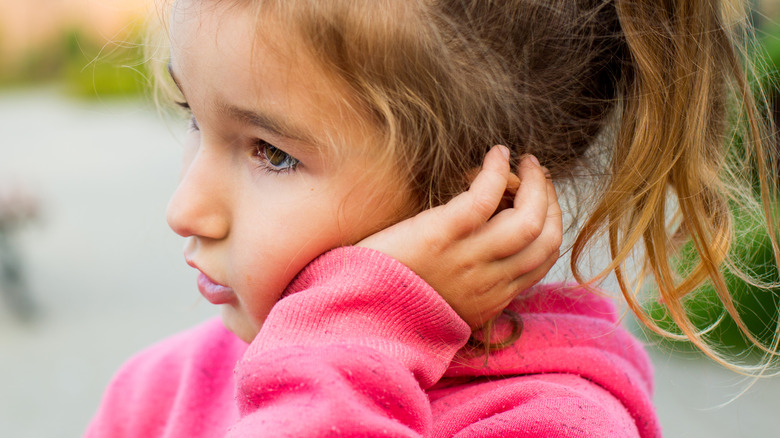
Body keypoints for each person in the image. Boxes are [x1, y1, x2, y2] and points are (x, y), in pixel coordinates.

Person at [86, 0, 778, 436]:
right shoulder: (162, 390)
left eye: (272, 153)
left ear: (477, 196)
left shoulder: (552, 423)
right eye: (192, 118)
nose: (184, 209)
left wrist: (361, 329)